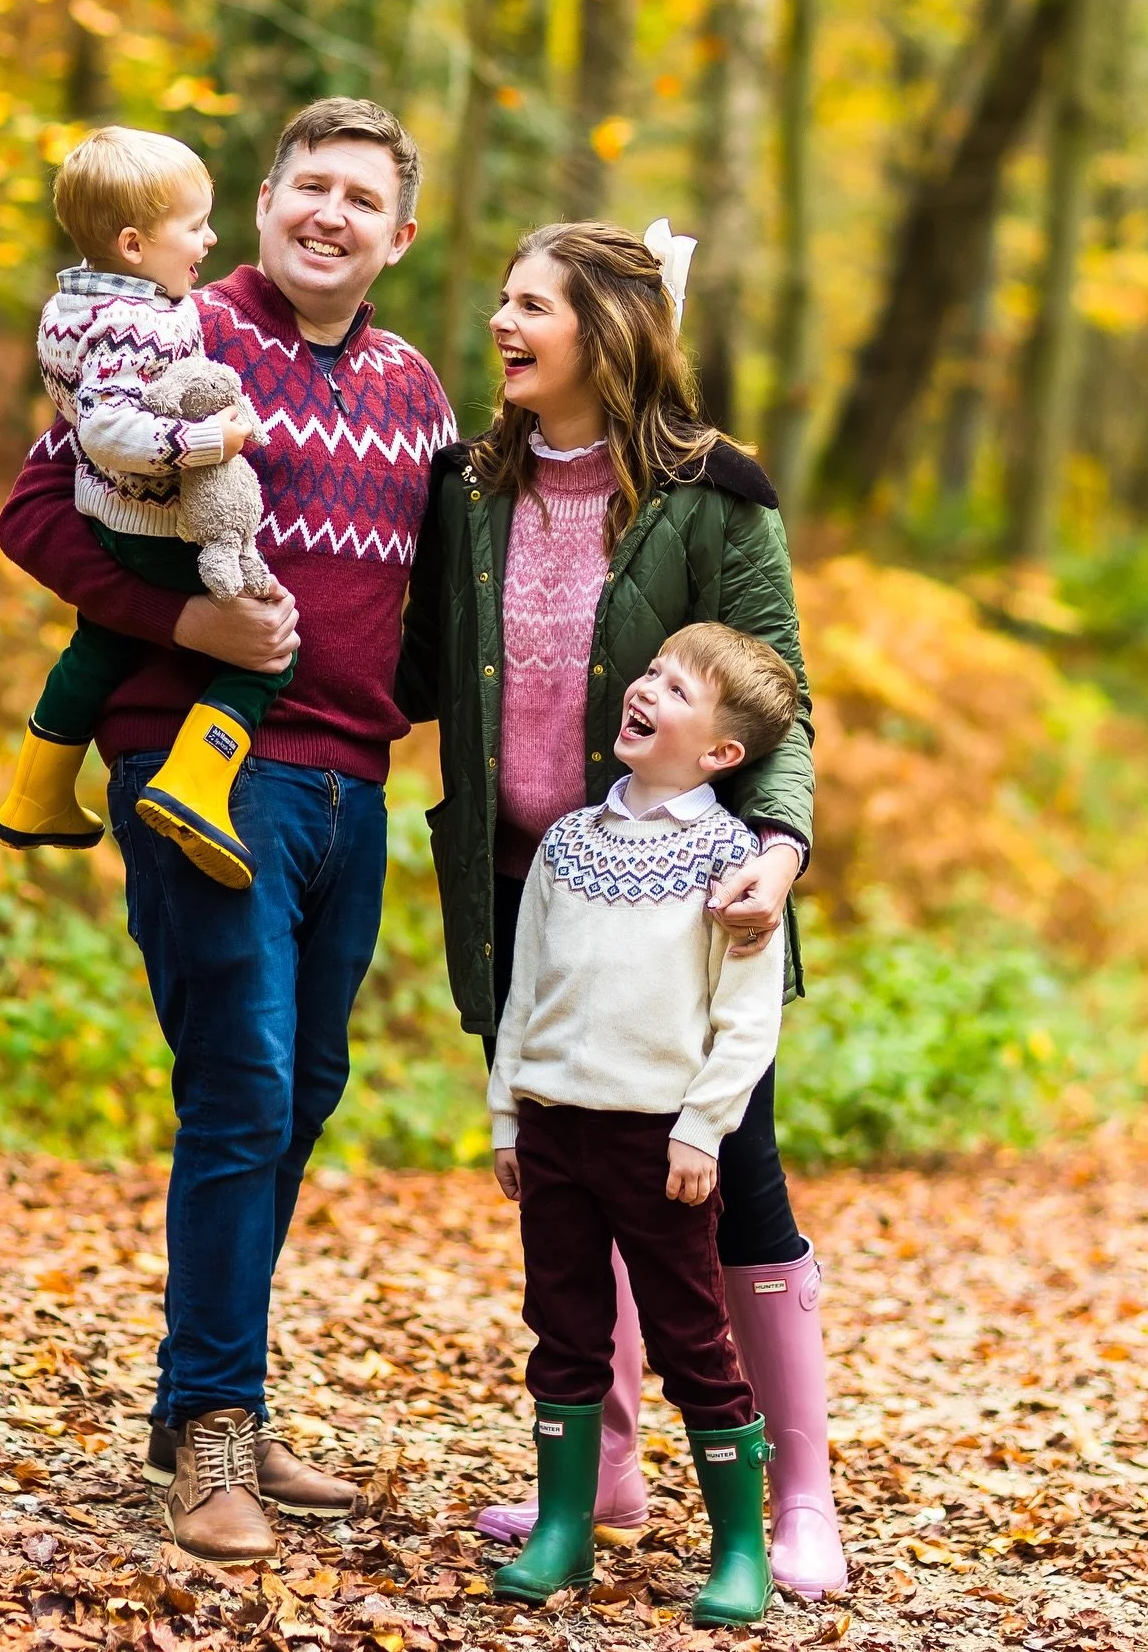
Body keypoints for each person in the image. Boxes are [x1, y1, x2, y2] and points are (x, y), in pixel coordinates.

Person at [0, 99, 456, 1563]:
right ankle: (208, 1430)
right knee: (244, 1084)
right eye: (307, 185)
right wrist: (188, 614)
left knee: (304, 1084)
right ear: (262, 201)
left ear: (401, 232)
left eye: (360, 197)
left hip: (353, 781)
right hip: (199, 759)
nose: (330, 213)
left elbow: (454, 591)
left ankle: (228, 1403)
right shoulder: (173, 333)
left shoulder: (416, 386)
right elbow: (34, 514)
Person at [396, 221, 846, 1599]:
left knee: (734, 1188)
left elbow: (778, 697)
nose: (502, 322)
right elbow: (410, 666)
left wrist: (778, 848)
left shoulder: (716, 492)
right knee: (574, 1180)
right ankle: (601, 1469)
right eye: (501, 300)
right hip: (528, 892)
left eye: (534, 303)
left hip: (697, 901)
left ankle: (799, 1491)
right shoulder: (467, 487)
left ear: (608, 325)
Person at [487, 622, 797, 1617]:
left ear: (721, 752)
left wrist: (702, 1127)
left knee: (692, 1339)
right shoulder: (568, 844)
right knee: (563, 1326)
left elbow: (744, 1018)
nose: (648, 687)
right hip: (555, 1130)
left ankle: (739, 1547)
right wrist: (507, 1110)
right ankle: (563, 1528)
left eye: (678, 686)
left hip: (659, 1142)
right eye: (651, 671)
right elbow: (525, 984)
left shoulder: (735, 860)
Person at [0, 125, 291, 888]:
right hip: (154, 520)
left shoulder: (74, 306)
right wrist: (208, 441)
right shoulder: (141, 319)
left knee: (100, 646)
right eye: (193, 226)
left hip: (107, 514)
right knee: (270, 644)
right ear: (132, 244)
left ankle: (35, 793)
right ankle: (195, 779)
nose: (210, 238)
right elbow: (106, 426)